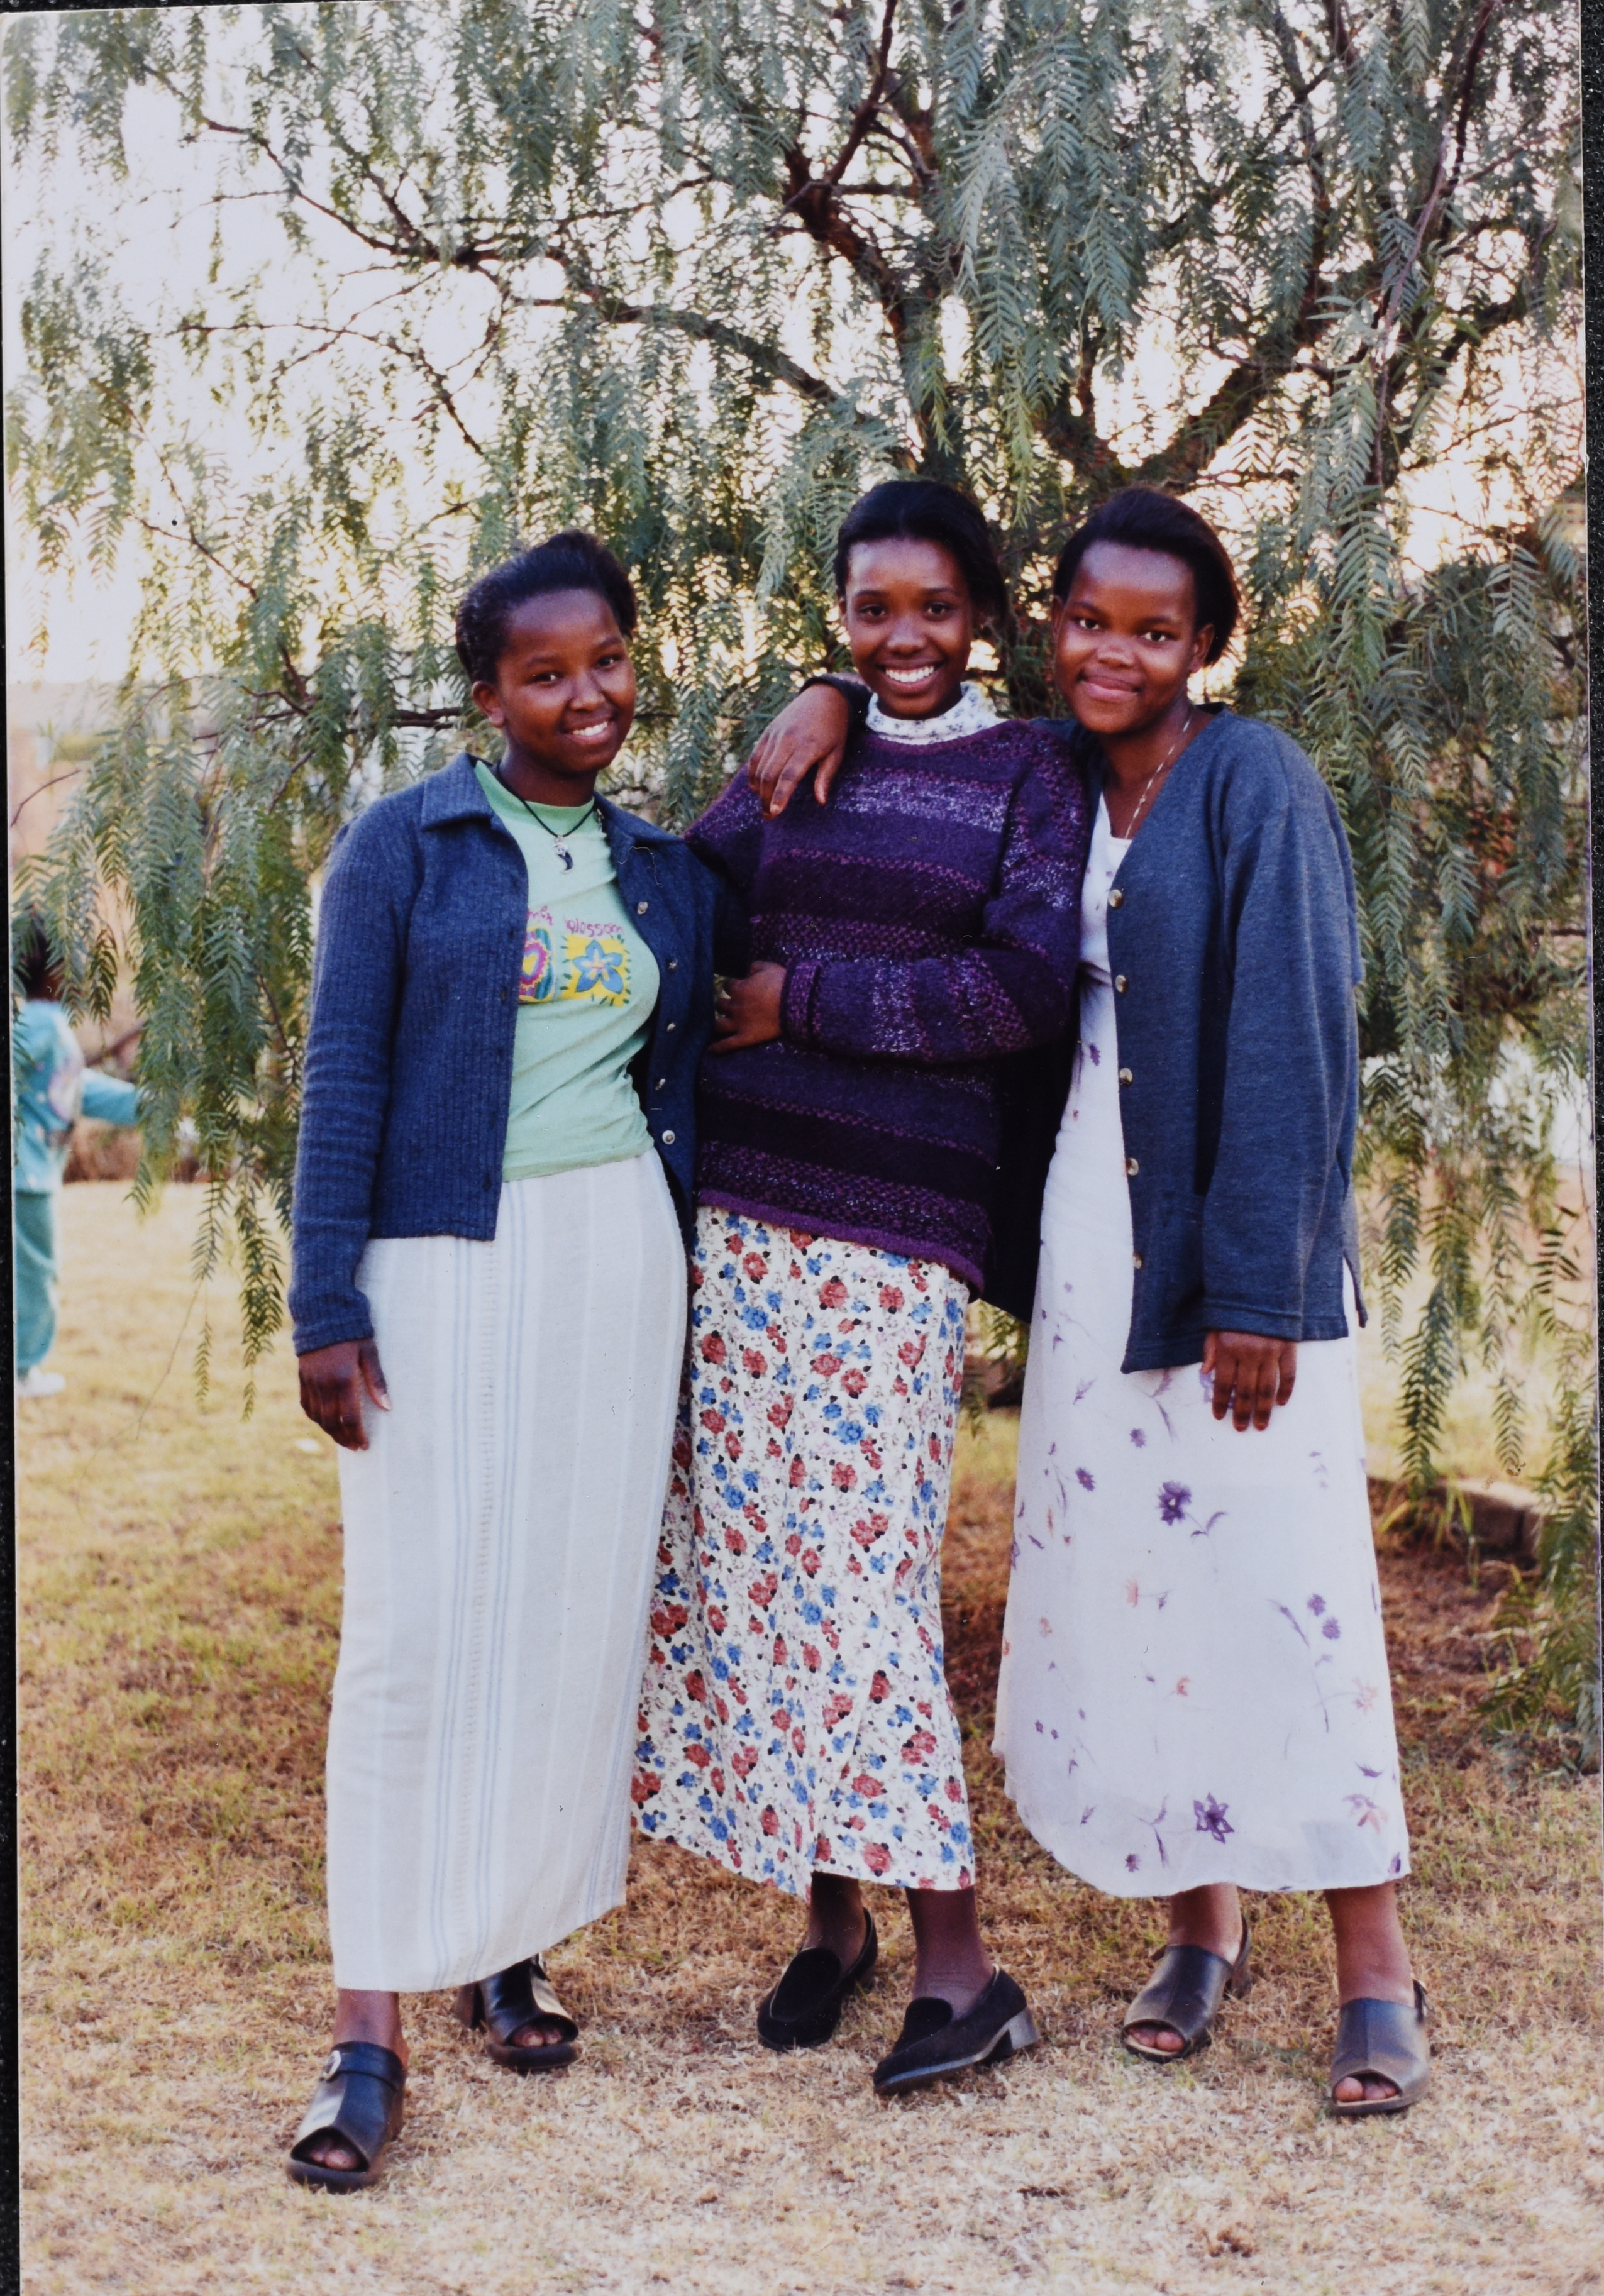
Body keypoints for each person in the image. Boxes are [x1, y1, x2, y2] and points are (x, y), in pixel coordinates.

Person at [748, 487, 1430, 2119]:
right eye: (1085, 621)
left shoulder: (1248, 782)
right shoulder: (1046, 775)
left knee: (1288, 1591)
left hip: (1224, 1257)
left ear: (1202, 646)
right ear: (1037, 625)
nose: (1109, 651)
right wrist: (829, 690)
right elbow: (924, 748)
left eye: (1149, 629)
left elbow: (1293, 1039)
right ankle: (1197, 1932)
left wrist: (1255, 1285)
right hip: (1081, 1243)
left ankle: (1372, 1970)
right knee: (1139, 1590)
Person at [633, 479, 1090, 2097]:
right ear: (837, 616)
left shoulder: (1034, 767)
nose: (904, 638)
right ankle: (833, 1920)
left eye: (934, 609)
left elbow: (1024, 986)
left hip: (895, 1230)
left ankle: (966, 1964)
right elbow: (672, 903)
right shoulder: (789, 758)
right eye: (870, 612)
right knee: (760, 1564)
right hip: (740, 1215)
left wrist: (801, 996)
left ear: (982, 617)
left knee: (862, 1579)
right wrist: (803, 711)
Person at [285, 531, 722, 2192]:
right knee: (415, 1625)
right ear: (487, 696)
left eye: (604, 658)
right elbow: (342, 1080)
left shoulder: (662, 870)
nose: (584, 691)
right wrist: (325, 1304)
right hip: (438, 1258)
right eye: (544, 671)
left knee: (566, 1605)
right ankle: (368, 2025)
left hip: (617, 1254)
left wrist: (829, 693)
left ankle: (509, 1944)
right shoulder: (405, 847)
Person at [11, 915, 142, 1399]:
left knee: (32, 1270)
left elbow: (79, 1089)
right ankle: (24, 1371)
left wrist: (148, 1104)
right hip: (27, 1174)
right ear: (56, 969)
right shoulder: (40, 1024)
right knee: (38, 1272)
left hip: (34, 1172)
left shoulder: (50, 1027)